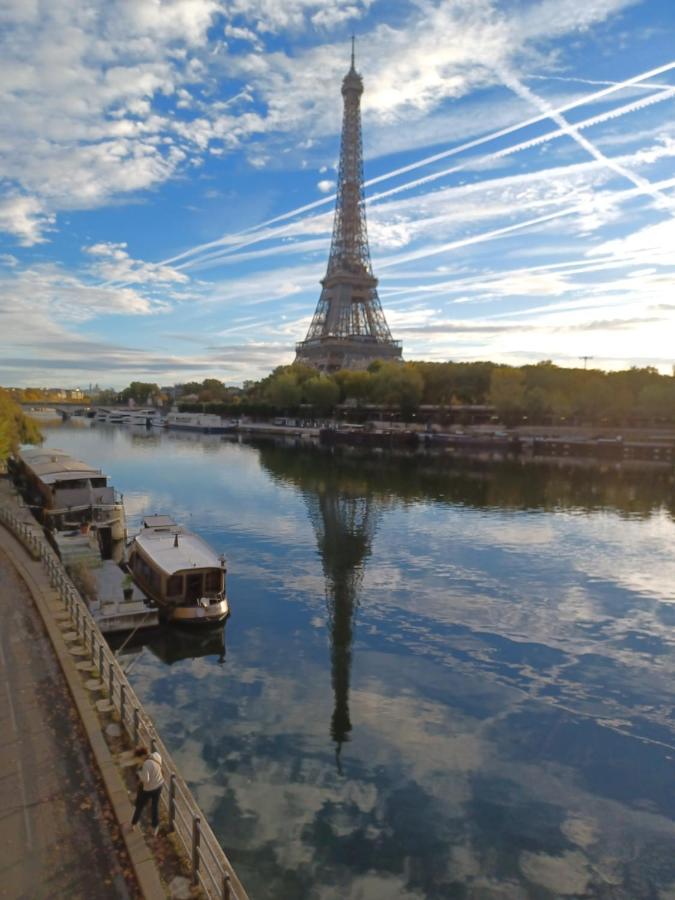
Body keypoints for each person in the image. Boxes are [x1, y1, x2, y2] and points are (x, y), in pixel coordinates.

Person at [130, 747, 164, 834]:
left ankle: (133, 824)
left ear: (142, 756)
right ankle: (155, 827)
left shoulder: (146, 764)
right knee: (154, 806)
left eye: (138, 759)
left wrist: (139, 773)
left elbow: (146, 779)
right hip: (159, 785)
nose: (137, 761)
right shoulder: (156, 756)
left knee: (140, 806)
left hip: (148, 788)